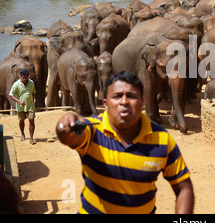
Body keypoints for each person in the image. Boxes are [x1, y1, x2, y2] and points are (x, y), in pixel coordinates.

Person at [55, 71, 194, 214]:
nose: (124, 101)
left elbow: (184, 187)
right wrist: (65, 124)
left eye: (132, 96)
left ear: (142, 103)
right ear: (106, 104)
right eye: (117, 96)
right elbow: (70, 137)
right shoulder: (93, 131)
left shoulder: (161, 140)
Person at [9, 69, 36, 145]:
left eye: (26, 78)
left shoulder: (31, 83)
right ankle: (22, 134)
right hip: (20, 107)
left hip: (30, 106)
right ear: (20, 77)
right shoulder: (16, 84)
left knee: (31, 121)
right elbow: (11, 95)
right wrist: (19, 101)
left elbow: (33, 93)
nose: (24, 79)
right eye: (23, 78)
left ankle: (31, 138)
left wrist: (32, 103)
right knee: (21, 121)